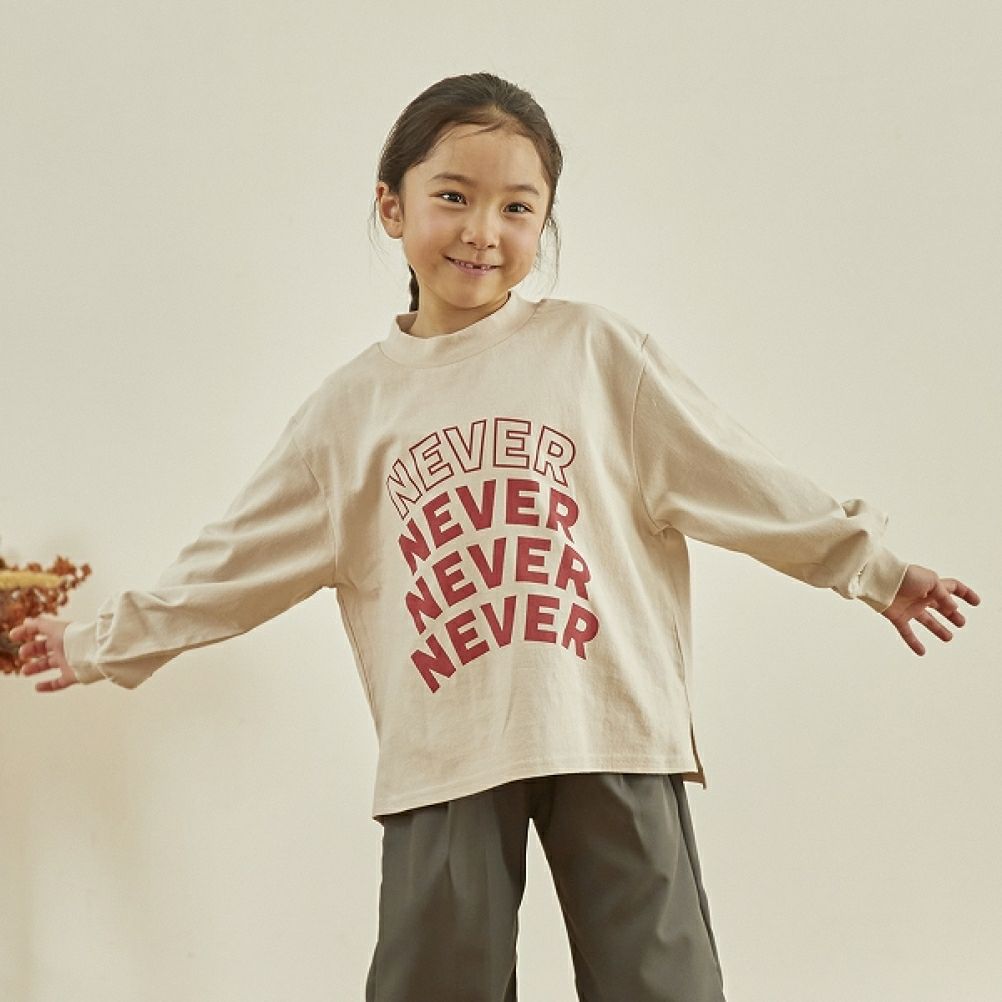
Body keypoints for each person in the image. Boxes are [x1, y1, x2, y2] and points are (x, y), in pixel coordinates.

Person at [12, 72, 980, 1002]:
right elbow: (234, 563)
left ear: (544, 224)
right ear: (391, 208)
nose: (483, 230)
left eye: (518, 207)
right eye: (454, 197)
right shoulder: (350, 412)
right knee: (435, 984)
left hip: (608, 719)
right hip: (448, 744)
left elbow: (734, 473)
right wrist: (96, 643)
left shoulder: (594, 352)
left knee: (661, 983)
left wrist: (872, 567)